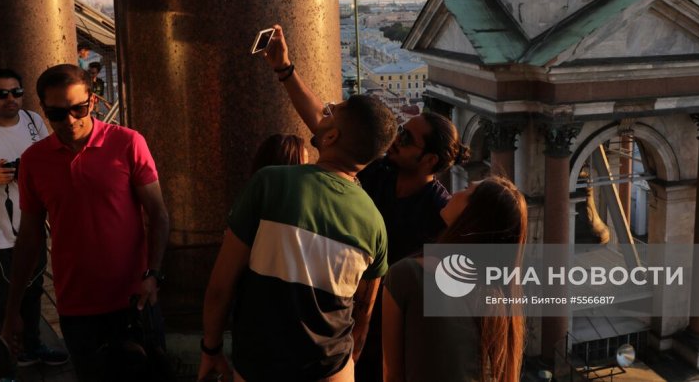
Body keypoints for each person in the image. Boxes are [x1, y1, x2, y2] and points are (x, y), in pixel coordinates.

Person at [251, 27, 468, 381]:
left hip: (388, 333)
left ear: (429, 161)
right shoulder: (380, 170)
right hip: (342, 318)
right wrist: (285, 70)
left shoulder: (440, 212)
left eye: (407, 139)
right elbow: (324, 125)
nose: (395, 140)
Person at [198, 53, 397, 381]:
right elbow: (363, 315)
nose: (325, 109)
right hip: (333, 371)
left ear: (331, 138)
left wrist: (211, 348)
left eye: (332, 111)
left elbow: (220, 287)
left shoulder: (270, 183)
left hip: (261, 368)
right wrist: (348, 365)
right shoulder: (375, 223)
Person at [1, 64, 170, 381]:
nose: (69, 121)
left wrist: (153, 274)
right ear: (44, 110)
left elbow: (158, 214)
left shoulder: (128, 143)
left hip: (133, 299)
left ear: (92, 102)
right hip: (76, 307)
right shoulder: (35, 161)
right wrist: (13, 313)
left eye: (77, 109)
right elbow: (28, 240)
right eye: (57, 114)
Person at [382, 176, 528, 382]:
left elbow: (392, 374)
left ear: (474, 215)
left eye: (467, 190)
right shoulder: (500, 299)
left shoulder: (407, 275)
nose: (457, 191)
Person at [0, 69, 69, 368]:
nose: (11, 100)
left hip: (30, 226)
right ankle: (3, 364)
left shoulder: (33, 120)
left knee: (32, 290)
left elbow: (53, 160)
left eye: (16, 92)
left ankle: (33, 346)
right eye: (2, 94)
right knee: (0, 303)